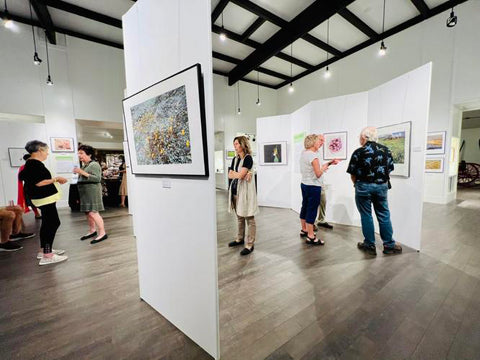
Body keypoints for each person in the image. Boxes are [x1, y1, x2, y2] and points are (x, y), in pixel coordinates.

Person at [347, 126, 402, 255]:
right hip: (381, 187)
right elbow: (390, 169)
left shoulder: (358, 152)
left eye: (360, 136)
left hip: (363, 187)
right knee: (384, 214)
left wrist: (356, 185)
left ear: (364, 137)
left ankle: (369, 245)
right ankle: (389, 245)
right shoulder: (386, 150)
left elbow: (352, 173)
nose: (359, 138)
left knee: (366, 215)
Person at [19, 140, 68, 265]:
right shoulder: (34, 165)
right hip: (44, 199)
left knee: (47, 223)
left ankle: (44, 250)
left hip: (43, 199)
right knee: (52, 223)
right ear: (40, 150)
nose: (47, 154)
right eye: (46, 151)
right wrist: (56, 179)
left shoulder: (31, 164)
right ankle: (47, 254)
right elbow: (39, 182)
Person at [299, 134, 339, 245]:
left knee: (305, 207)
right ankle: (311, 237)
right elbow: (318, 173)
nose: (320, 143)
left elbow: (314, 169)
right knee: (312, 210)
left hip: (304, 184)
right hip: (314, 186)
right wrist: (325, 167)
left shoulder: (304, 153)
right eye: (318, 141)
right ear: (313, 142)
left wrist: (328, 163)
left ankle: (304, 229)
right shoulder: (313, 156)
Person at [228, 136, 258, 255]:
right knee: (239, 217)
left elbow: (238, 175)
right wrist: (241, 174)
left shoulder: (248, 158)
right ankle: (239, 239)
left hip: (245, 192)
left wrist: (240, 175)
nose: (235, 146)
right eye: (234, 143)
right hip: (235, 191)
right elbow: (231, 174)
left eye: (236, 143)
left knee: (249, 217)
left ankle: (250, 244)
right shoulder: (235, 159)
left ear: (242, 144)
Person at [74, 144, 108, 244]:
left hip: (92, 191)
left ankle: (102, 233)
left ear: (89, 154)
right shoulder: (85, 165)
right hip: (85, 192)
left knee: (93, 212)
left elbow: (97, 178)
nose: (79, 155)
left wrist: (82, 172)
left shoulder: (94, 164)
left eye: (81, 153)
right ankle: (92, 230)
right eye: (78, 153)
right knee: (87, 212)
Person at [17, 154, 42, 219]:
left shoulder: (24, 167)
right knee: (32, 201)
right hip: (31, 186)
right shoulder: (24, 167)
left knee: (36, 201)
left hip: (31, 186)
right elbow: (21, 178)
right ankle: (37, 214)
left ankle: (38, 214)